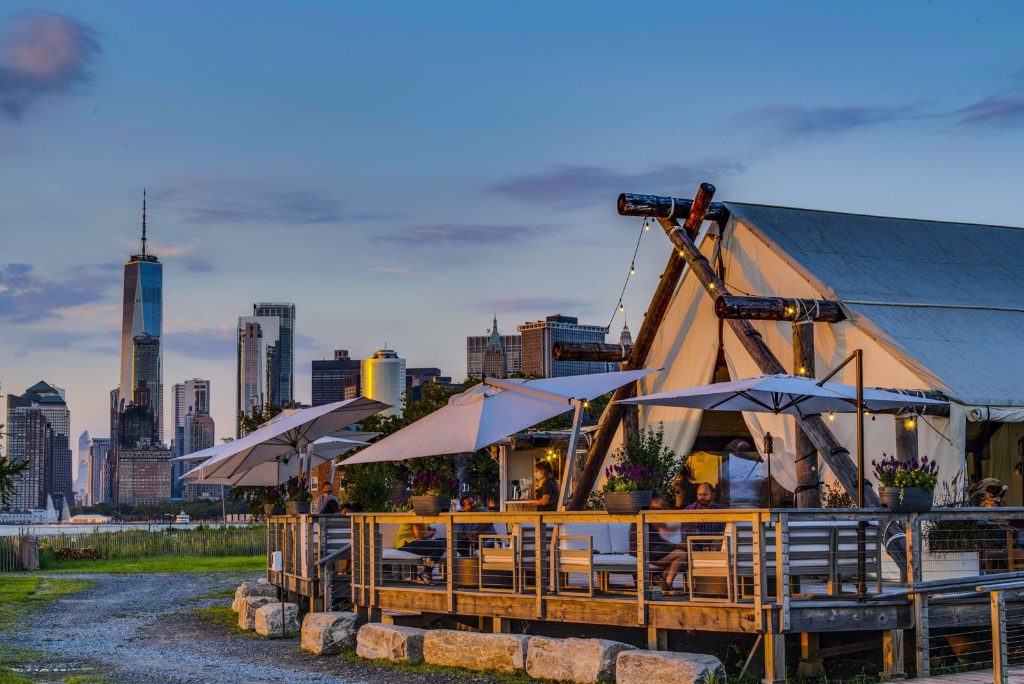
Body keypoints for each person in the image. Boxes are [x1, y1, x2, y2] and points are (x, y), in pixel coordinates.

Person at [660, 483, 724, 593]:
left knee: (719, 544)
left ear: (712, 494)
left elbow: (724, 531)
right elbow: (683, 532)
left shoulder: (720, 510)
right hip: (694, 545)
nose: (702, 497)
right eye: (700, 494)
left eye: (705, 494)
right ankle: (667, 582)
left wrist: (717, 539)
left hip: (712, 546)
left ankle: (715, 588)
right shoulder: (690, 509)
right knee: (683, 550)